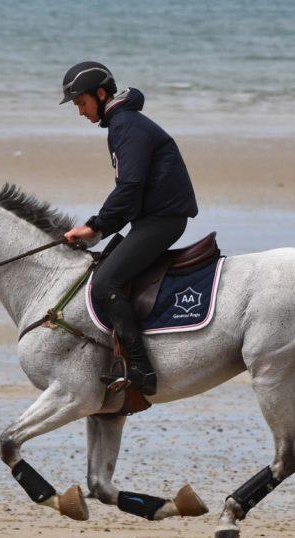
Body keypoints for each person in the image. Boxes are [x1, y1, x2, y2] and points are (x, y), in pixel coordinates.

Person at [60, 61, 198, 396]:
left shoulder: (126, 126)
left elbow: (130, 187)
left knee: (106, 282)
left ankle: (140, 369)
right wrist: (101, 229)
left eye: (81, 104)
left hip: (162, 220)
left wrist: (95, 226)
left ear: (101, 94)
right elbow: (132, 192)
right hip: (152, 217)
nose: (80, 113)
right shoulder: (123, 124)